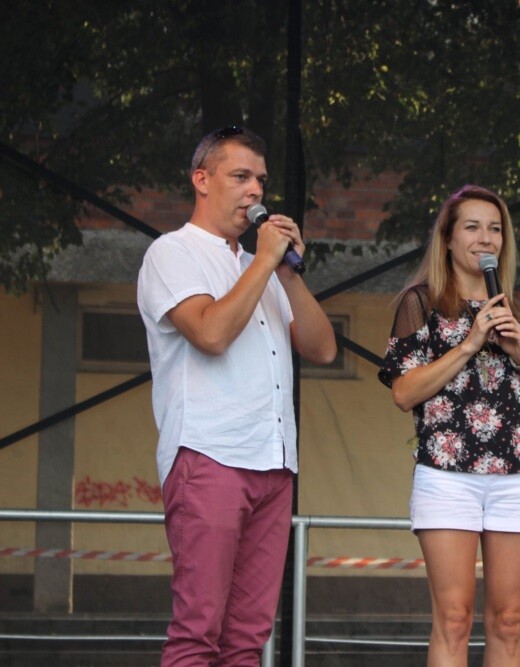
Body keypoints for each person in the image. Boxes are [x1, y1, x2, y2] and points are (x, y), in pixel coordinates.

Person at [137, 125, 336, 666]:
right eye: (241, 176)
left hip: (274, 462)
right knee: (198, 631)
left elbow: (322, 349)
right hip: (209, 456)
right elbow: (210, 333)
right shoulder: (171, 252)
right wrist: (265, 262)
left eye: (261, 180)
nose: (255, 191)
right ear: (202, 180)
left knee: (247, 638)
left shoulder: (263, 269)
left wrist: (288, 274)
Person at [379, 184, 520, 666]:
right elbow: (403, 393)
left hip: (518, 476)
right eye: (473, 227)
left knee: (508, 620)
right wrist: (468, 344)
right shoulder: (421, 303)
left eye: (495, 229)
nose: (486, 238)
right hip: (447, 475)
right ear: (447, 238)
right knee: (454, 616)